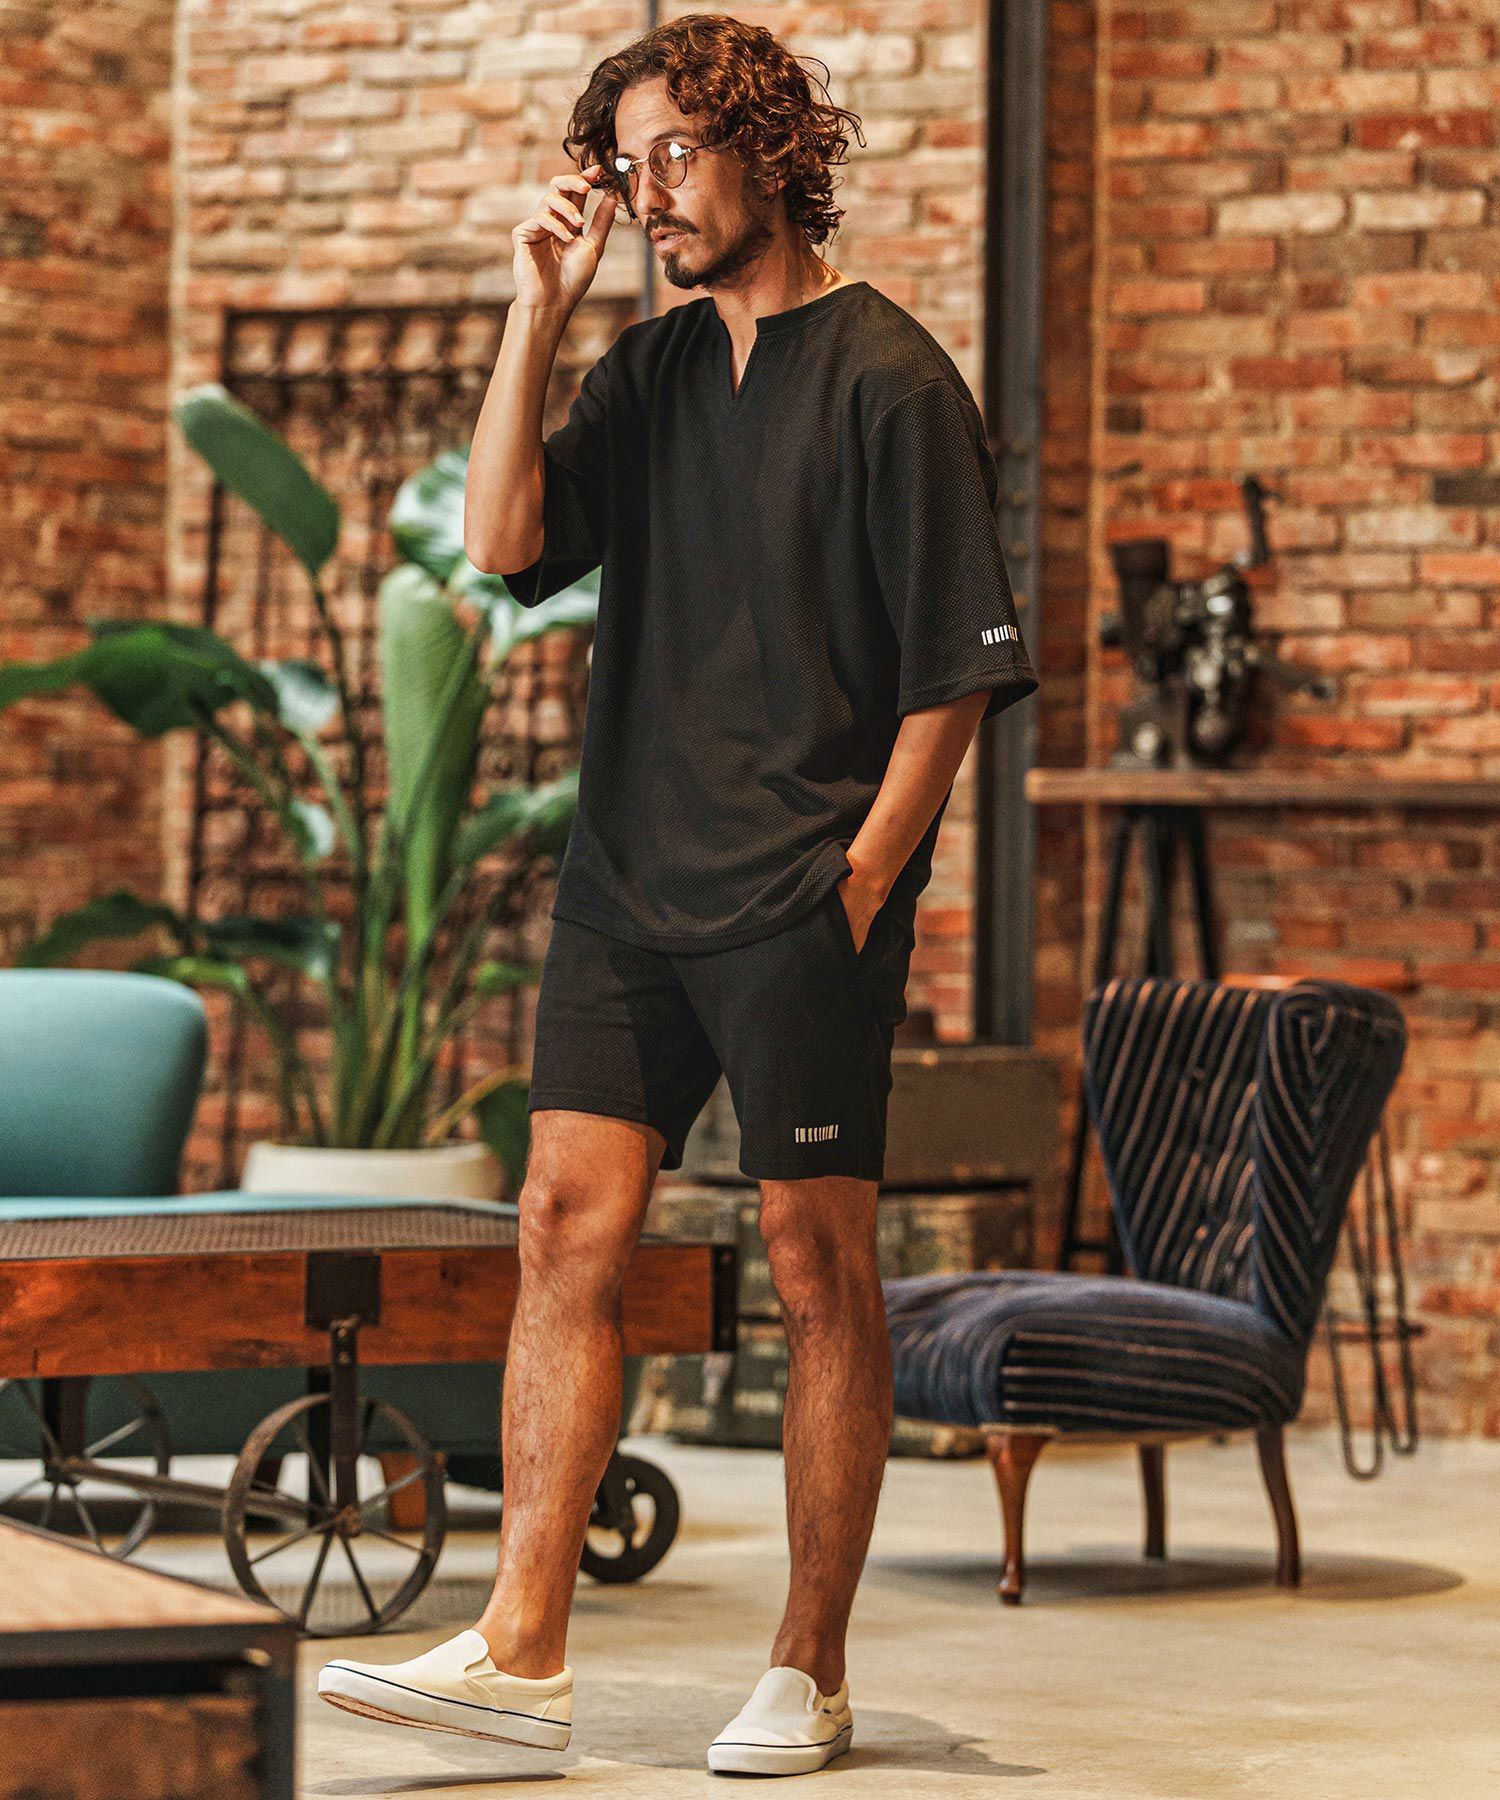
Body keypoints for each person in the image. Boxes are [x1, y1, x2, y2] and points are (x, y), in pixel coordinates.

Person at [319, 12, 1037, 1778]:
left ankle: (809, 1665)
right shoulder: (640, 377)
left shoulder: (891, 379)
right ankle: (521, 1646)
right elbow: (503, 544)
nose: (648, 193)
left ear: (769, 154)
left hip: (803, 894)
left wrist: (863, 879)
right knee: (564, 1224)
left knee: (814, 1261)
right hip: (627, 883)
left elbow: (957, 673)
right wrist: (536, 312)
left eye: (677, 157)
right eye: (626, 164)